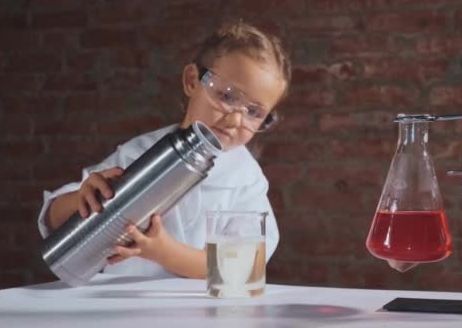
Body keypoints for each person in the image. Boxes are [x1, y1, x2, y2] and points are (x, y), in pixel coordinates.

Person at [37, 21, 291, 279]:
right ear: (192, 81)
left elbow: (241, 265)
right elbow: (53, 220)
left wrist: (160, 251)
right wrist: (82, 197)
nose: (235, 120)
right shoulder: (139, 153)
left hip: (197, 314)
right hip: (121, 306)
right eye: (226, 96)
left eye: (254, 112)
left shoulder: (245, 179)